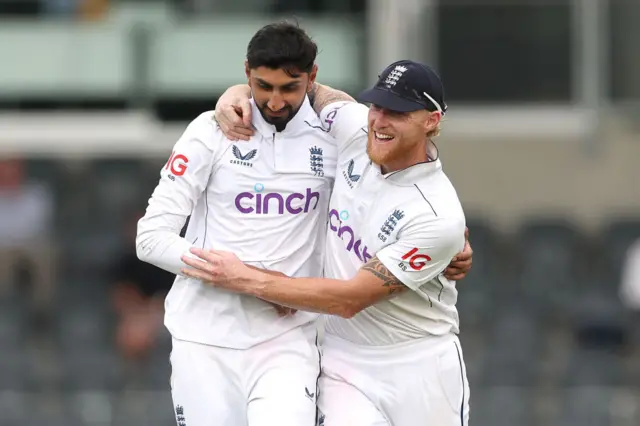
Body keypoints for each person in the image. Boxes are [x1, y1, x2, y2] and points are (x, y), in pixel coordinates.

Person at [182, 59, 471, 425]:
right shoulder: (354, 128)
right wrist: (238, 93)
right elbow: (301, 87)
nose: (379, 121)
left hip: (419, 364)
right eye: (377, 106)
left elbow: (349, 299)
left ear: (431, 120)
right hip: (342, 360)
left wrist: (245, 279)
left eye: (397, 112)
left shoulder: (437, 215)